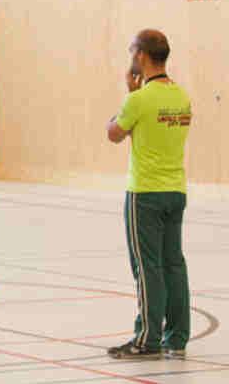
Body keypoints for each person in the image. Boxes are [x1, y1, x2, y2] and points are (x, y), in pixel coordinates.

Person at [105, 29, 191, 360]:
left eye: (132, 51)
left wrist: (129, 92)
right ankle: (177, 336)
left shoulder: (138, 99)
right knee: (174, 264)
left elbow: (113, 133)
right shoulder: (181, 96)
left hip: (145, 193)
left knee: (147, 267)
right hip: (176, 190)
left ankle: (147, 339)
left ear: (141, 56)